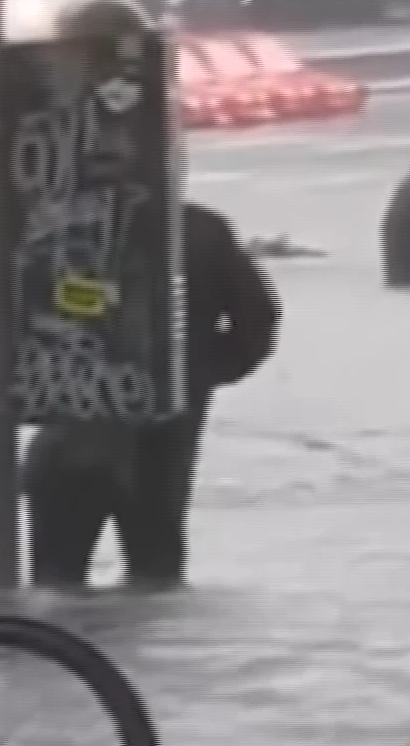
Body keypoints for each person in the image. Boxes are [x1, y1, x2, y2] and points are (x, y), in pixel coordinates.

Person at [27, 202, 280, 590]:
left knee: (56, 588)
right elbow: (259, 317)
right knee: (156, 577)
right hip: (165, 433)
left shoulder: (48, 229)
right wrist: (199, 375)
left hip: (72, 431)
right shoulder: (200, 228)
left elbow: (5, 321)